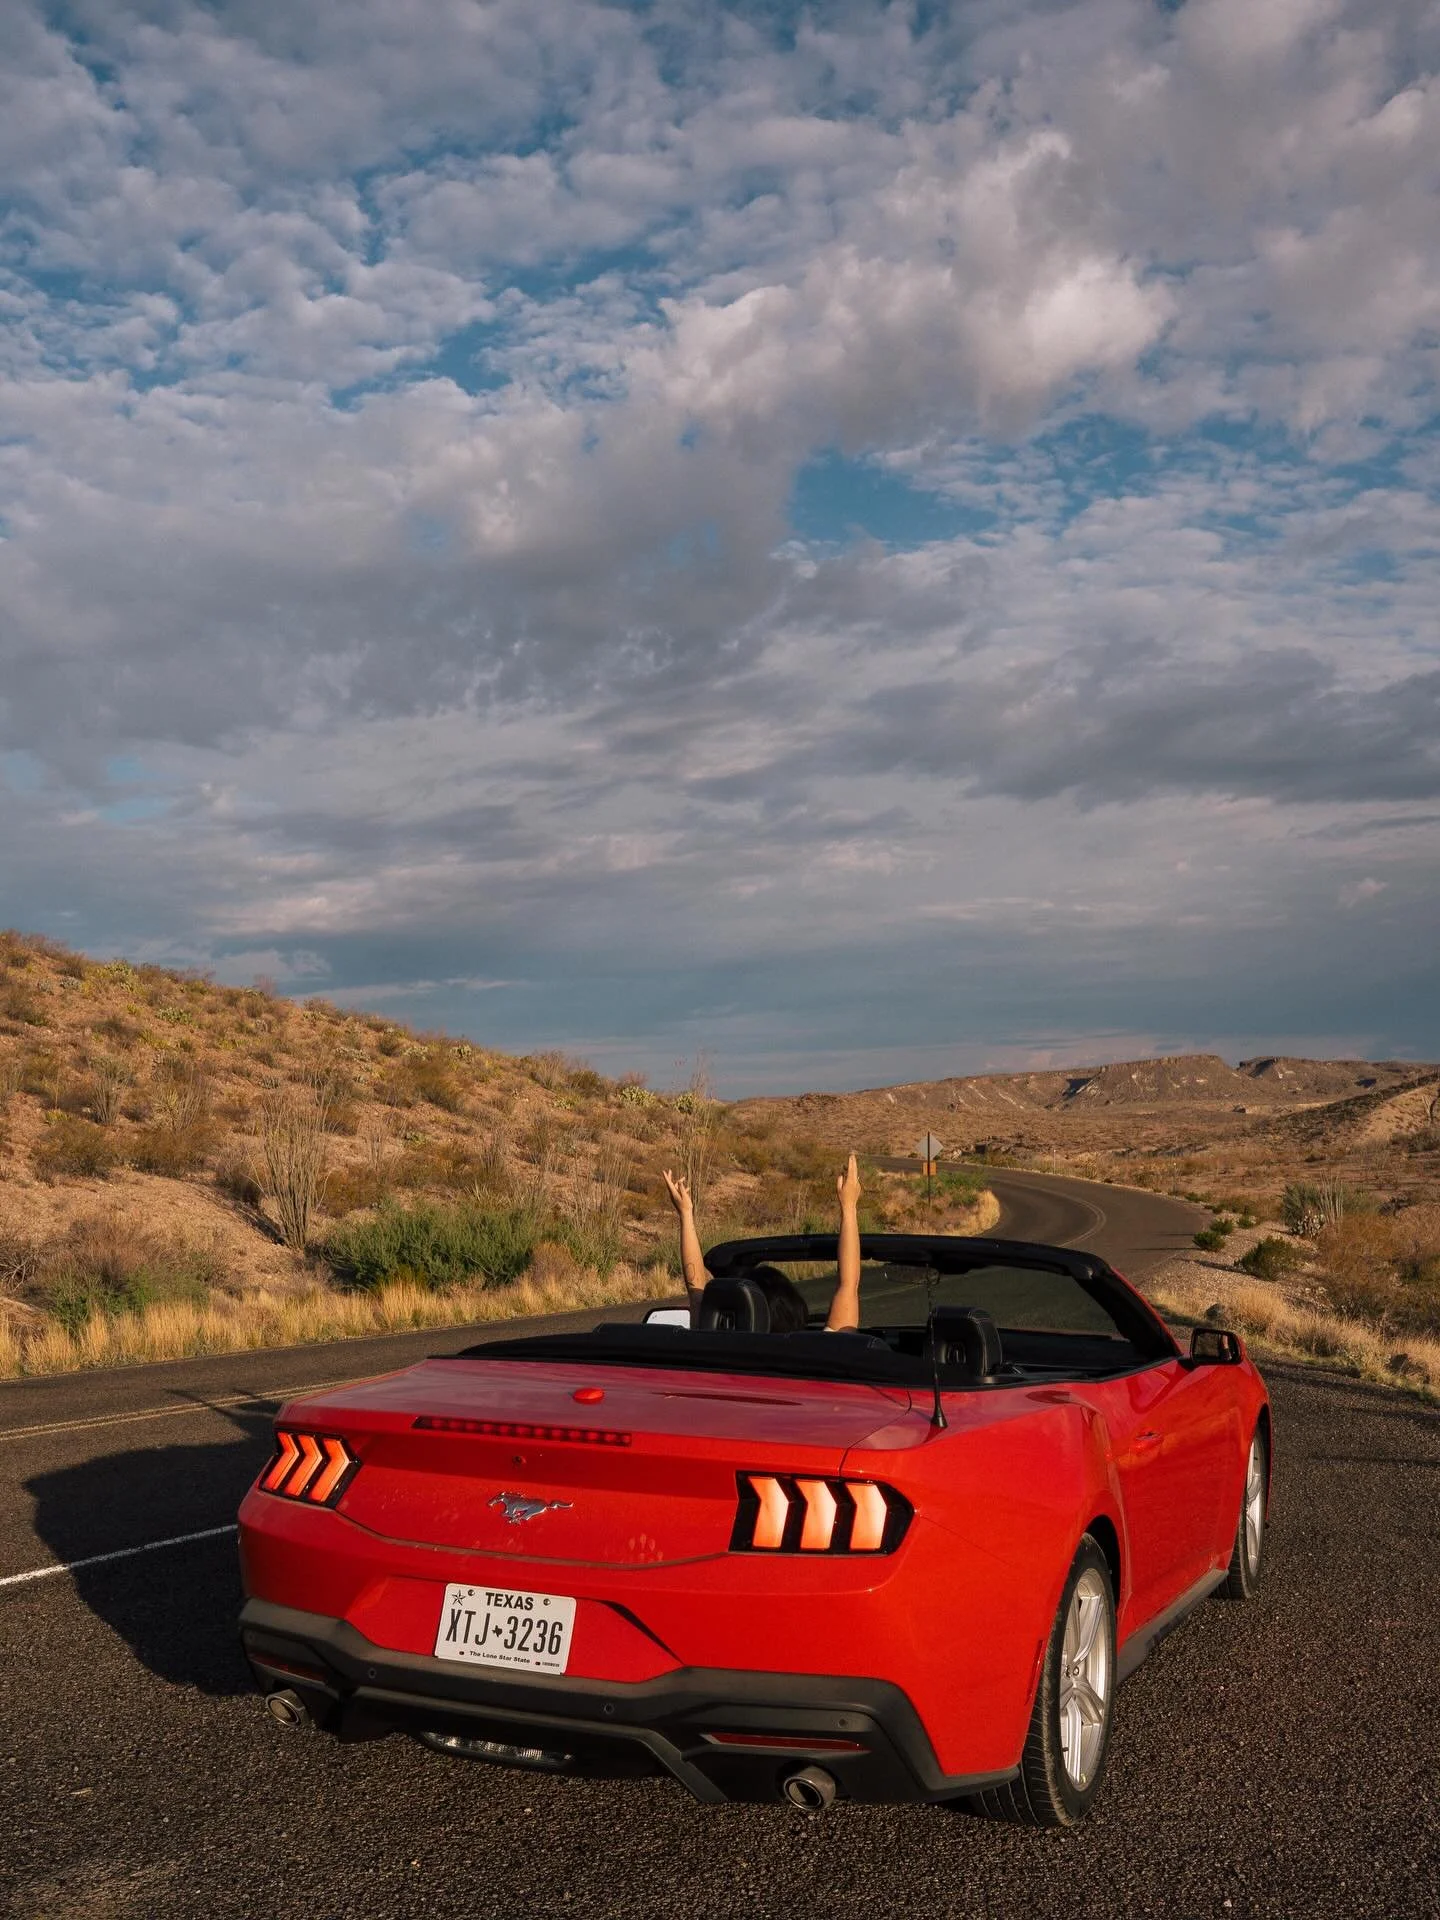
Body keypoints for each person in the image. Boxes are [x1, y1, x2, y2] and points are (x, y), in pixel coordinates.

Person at [661, 1153, 864, 1332]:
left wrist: (686, 1214)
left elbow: (696, 1287)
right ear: (793, 1309)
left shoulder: (716, 1347)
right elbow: (848, 1285)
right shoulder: (815, 1358)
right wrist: (849, 1207)